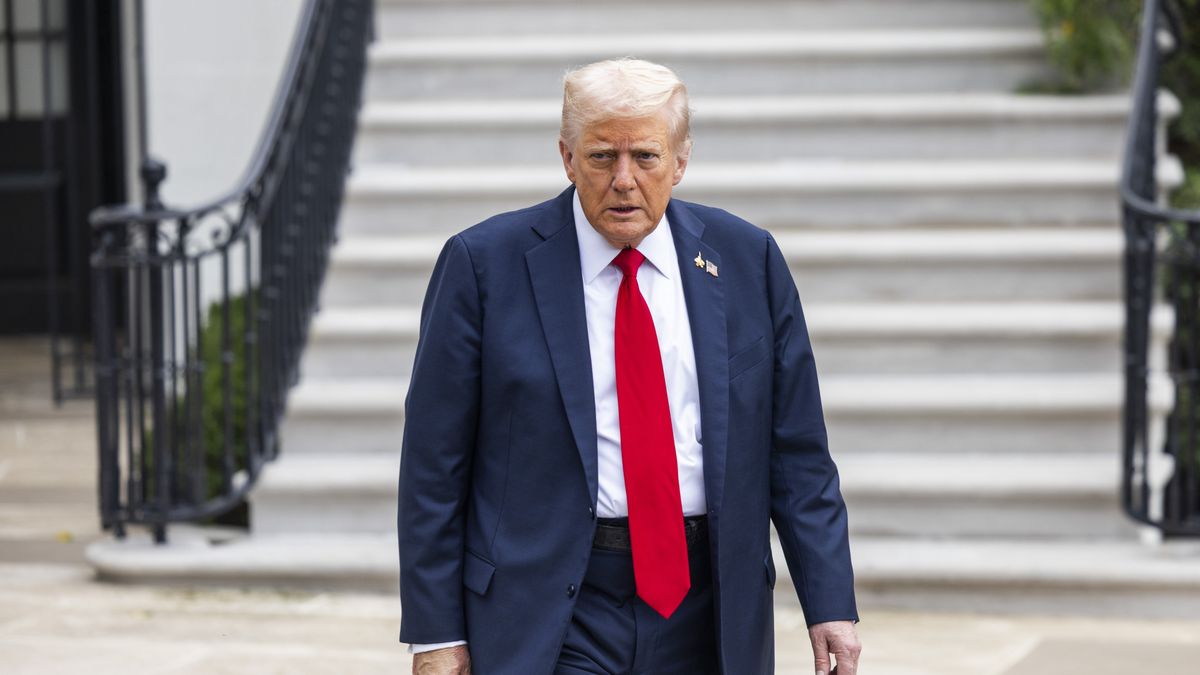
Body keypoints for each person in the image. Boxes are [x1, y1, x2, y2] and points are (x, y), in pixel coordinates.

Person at [397, 57, 861, 675]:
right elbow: (434, 464)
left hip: (710, 605)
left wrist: (829, 603)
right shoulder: (483, 267)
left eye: (644, 156)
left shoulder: (748, 260)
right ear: (566, 157)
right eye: (600, 157)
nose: (623, 180)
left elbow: (798, 453)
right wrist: (434, 632)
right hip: (553, 605)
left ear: (680, 160)